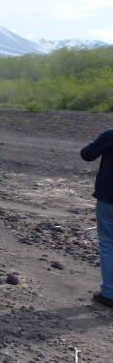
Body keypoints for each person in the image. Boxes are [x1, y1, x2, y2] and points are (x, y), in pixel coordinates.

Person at [80, 127, 113, 308]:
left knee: (108, 244)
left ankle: (109, 293)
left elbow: (87, 154)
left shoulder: (110, 135)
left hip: (109, 198)